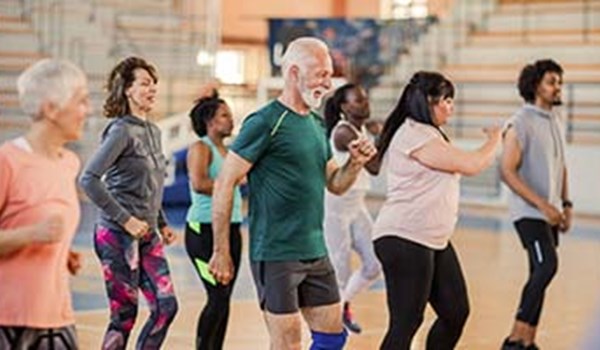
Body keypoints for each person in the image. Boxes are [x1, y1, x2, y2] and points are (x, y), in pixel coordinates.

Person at [208, 37, 377, 350]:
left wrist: (354, 164)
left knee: (332, 336)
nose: (328, 82)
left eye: (329, 74)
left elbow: (335, 184)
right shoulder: (264, 122)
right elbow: (224, 182)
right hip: (275, 251)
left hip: (315, 248)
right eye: (321, 74)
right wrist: (221, 250)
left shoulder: (316, 124)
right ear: (294, 73)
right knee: (287, 344)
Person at [370, 71, 501, 350]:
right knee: (406, 323)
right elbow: (472, 164)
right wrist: (495, 139)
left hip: (432, 239)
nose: (451, 107)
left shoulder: (430, 133)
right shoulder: (413, 134)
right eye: (447, 100)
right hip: (405, 237)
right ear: (429, 102)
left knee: (455, 312)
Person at [79, 56, 178, 349]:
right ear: (127, 90)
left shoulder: (154, 131)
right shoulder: (120, 130)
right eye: (145, 83)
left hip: (148, 233)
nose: (152, 89)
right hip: (116, 234)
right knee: (124, 316)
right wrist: (126, 219)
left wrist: (160, 222)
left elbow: (152, 184)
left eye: (154, 84)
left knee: (166, 307)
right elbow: (89, 179)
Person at [0, 59, 90, 349]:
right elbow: (31, 229)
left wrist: (61, 253)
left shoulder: (69, 163)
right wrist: (31, 235)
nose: (86, 111)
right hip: (7, 320)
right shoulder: (7, 161)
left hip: (57, 317)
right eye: (81, 101)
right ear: (51, 108)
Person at [500, 59, 571, 350]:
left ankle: (528, 342)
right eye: (552, 82)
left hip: (550, 213)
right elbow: (507, 171)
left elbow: (562, 165)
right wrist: (543, 205)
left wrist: (565, 204)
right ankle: (514, 339)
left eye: (559, 82)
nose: (558, 88)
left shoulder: (556, 120)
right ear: (535, 85)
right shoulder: (520, 122)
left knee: (538, 274)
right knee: (546, 267)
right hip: (529, 213)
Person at [185, 92, 242, 349]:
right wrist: (229, 183)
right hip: (203, 231)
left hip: (232, 230)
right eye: (224, 115)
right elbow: (199, 183)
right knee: (217, 297)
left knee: (225, 298)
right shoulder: (201, 147)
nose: (231, 120)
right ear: (209, 120)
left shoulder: (230, 152)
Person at [322, 83, 381, 334]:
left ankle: (343, 303)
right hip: (336, 207)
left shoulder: (362, 128)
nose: (365, 104)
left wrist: (378, 132)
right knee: (340, 270)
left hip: (357, 205)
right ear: (345, 107)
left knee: (375, 264)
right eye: (358, 101)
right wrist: (383, 134)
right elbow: (375, 167)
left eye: (365, 98)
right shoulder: (344, 133)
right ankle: (329, 325)